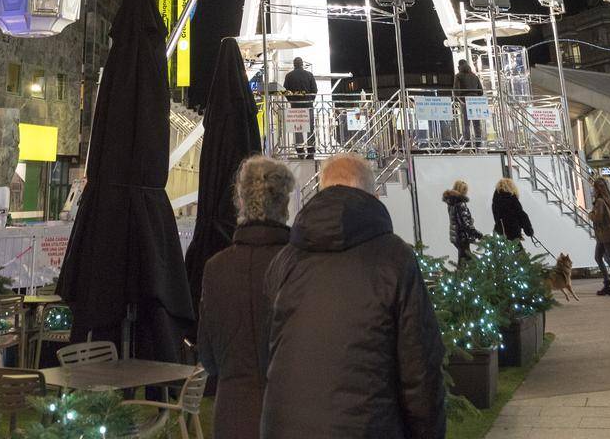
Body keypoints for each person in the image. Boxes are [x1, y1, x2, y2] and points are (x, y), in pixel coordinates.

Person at [261, 152, 445, 438]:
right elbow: (419, 368)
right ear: (372, 195)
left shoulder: (286, 260)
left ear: (322, 189)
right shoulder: (395, 258)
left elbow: (270, 351)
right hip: (367, 427)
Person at [197, 156, 295, 438]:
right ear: (284, 204)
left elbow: (208, 355)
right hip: (290, 412)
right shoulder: (299, 264)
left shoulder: (215, 268)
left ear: (240, 200)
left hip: (232, 413)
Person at [282, 56, 317, 156]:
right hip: (308, 105)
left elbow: (285, 91)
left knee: (297, 128)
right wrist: (310, 100)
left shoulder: (289, 76)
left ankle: (300, 150)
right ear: (302, 64)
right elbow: (314, 90)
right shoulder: (309, 75)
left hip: (295, 106)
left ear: (294, 64)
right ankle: (311, 150)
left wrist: (292, 101)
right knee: (310, 127)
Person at [443, 179, 483, 267]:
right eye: (465, 190)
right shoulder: (460, 204)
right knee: (468, 261)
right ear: (462, 191)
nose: (466, 193)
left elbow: (457, 220)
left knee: (464, 259)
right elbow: (465, 224)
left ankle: (461, 278)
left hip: (456, 236)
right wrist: (478, 234)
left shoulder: (451, 203)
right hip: (462, 237)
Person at [451, 58, 484, 145]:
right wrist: (475, 96)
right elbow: (481, 91)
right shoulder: (474, 76)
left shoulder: (458, 76)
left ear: (459, 66)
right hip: (475, 100)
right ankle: (478, 142)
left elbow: (456, 90)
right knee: (476, 123)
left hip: (465, 100)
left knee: (466, 123)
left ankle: (468, 143)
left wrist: (460, 100)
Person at [491, 178, 533, 244]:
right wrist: (528, 230)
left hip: (499, 232)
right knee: (519, 253)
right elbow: (521, 215)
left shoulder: (495, 201)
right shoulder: (512, 199)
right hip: (513, 233)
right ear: (511, 187)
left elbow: (497, 217)